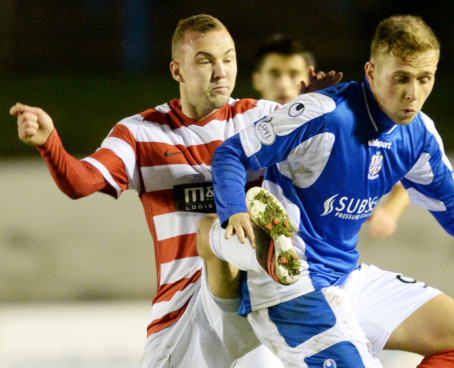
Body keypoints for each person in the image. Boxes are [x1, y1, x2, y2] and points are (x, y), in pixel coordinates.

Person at [202, 15, 454, 367]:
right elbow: (232, 155)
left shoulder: (419, 135)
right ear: (371, 72)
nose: (413, 92)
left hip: (346, 277)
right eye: (401, 77)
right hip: (291, 286)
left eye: (425, 78)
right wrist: (235, 210)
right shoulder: (324, 113)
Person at [10, 13, 340, 368]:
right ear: (176, 71)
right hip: (181, 313)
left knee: (227, 237)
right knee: (214, 228)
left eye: (228, 59)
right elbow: (82, 181)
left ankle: (271, 261)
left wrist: (319, 118)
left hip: (253, 307)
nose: (221, 71)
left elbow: (331, 167)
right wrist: (50, 143)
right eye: (205, 61)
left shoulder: (261, 118)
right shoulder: (140, 133)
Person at [252, 33, 409, 239]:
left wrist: (389, 213)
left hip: (317, 253)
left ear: (308, 76)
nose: (283, 83)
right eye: (274, 73)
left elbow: (405, 177)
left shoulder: (331, 128)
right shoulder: (243, 128)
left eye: (293, 74)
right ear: (257, 79)